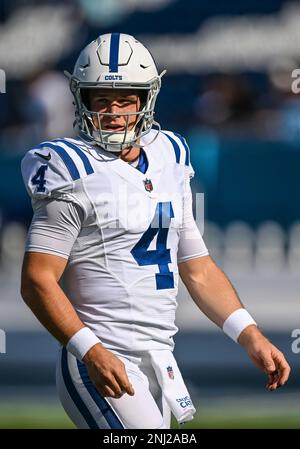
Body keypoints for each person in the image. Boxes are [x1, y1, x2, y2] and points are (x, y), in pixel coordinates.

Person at [20, 33, 290, 430]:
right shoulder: (68, 167)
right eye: (101, 99)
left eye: (126, 99)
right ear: (83, 101)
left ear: (146, 100)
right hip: (100, 358)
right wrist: (90, 351)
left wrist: (249, 333)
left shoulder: (170, 154)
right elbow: (37, 280)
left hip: (159, 358)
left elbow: (196, 267)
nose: (113, 111)